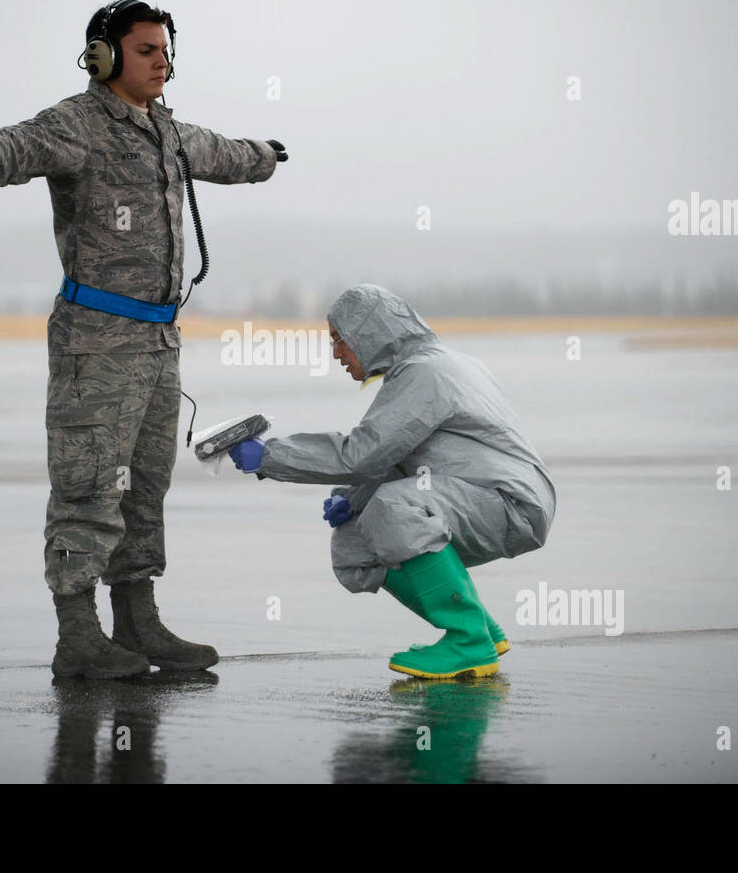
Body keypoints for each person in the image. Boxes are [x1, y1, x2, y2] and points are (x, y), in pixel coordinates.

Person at [0, 0, 287, 679]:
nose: (162, 62)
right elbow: (19, 144)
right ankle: (78, 636)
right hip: (97, 339)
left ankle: (138, 622)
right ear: (105, 57)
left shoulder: (167, 132)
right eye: (146, 50)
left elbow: (221, 153)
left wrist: (262, 156)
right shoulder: (78, 124)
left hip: (157, 343)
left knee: (144, 488)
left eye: (165, 49)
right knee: (88, 488)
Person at [228, 284, 555, 679]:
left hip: (509, 501)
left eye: (339, 341)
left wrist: (268, 456)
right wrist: (352, 499)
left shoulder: (426, 373)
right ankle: (483, 631)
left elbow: (363, 453)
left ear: (369, 332)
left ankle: (467, 639)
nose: (335, 354)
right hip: (484, 494)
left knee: (393, 508)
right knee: (355, 542)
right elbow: (399, 454)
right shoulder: (430, 366)